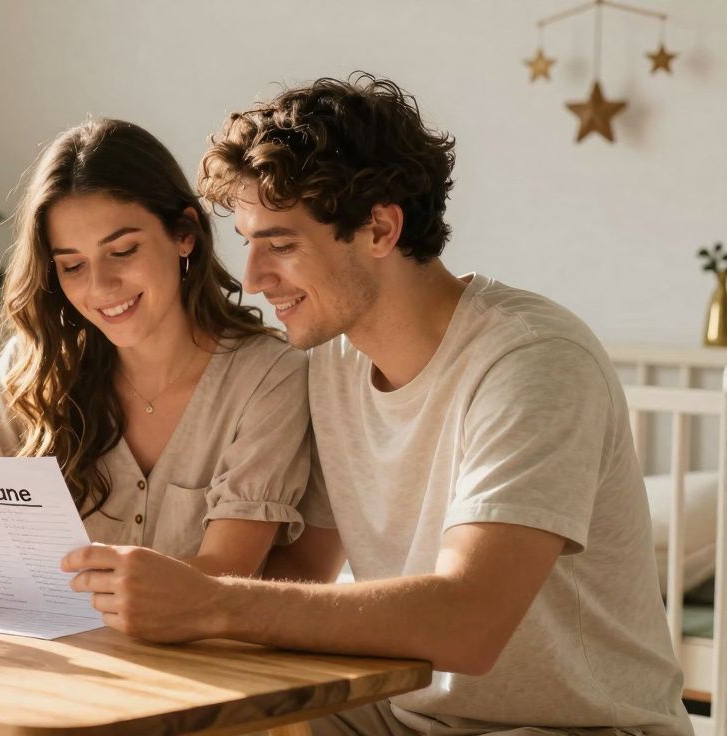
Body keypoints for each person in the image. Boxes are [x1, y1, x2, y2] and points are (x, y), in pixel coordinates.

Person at [61, 75, 692, 735]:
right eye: (248, 242)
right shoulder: (331, 364)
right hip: (399, 715)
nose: (252, 278)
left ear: (381, 228)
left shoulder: (534, 362)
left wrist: (213, 603)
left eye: (280, 244)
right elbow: (301, 577)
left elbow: (470, 623)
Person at [0, 118, 314, 603]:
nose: (99, 287)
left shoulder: (269, 377)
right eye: (72, 265)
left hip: (201, 673)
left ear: (185, 234)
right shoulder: (32, 368)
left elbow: (223, 574)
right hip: (45, 667)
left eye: (122, 250)